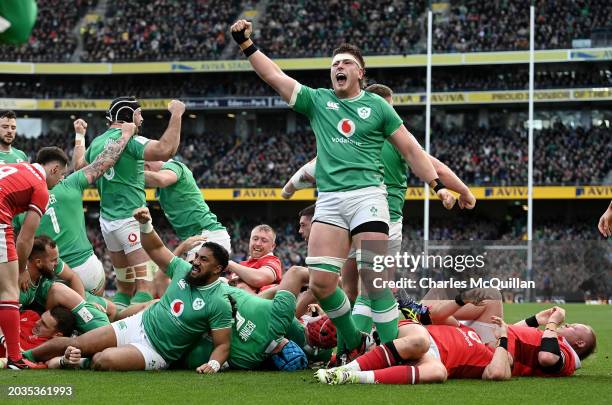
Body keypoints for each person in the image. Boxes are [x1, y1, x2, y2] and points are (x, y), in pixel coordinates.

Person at [231, 19, 455, 360]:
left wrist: (437, 186)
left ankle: (390, 354)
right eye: (334, 63)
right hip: (331, 202)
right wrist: (246, 44)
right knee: (321, 284)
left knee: (376, 284)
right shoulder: (318, 101)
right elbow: (274, 76)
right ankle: (354, 340)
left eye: (345, 63)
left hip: (369, 198)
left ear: (360, 72)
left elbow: (411, 149)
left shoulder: (378, 107)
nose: (338, 67)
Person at [282, 83, 475, 348]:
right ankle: (377, 350)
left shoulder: (348, 140)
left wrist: (289, 188)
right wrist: (464, 191)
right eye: (388, 106)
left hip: (343, 221)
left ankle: (344, 348)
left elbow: (309, 170)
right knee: (372, 289)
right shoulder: (394, 138)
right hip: (381, 220)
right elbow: (435, 167)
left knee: (346, 289)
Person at [25, 207, 233, 372]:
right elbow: (156, 248)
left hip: (155, 351)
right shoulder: (183, 269)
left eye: (203, 260)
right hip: (138, 323)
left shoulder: (219, 302)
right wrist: (145, 225)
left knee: (102, 359)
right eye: (196, 257)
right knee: (79, 343)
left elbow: (222, 345)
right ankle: (21, 358)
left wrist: (213, 365)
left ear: (217, 269)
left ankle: (73, 363)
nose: (195, 262)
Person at [73, 97, 185, 313]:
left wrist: (79, 136)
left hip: (108, 224)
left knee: (124, 288)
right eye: (139, 113)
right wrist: (177, 114)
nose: (141, 118)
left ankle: (113, 326)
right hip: (132, 220)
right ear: (128, 115)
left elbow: (78, 167)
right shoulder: (132, 140)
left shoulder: (96, 142)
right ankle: (132, 334)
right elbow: (166, 150)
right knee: (145, 285)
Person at [15, 121, 138, 295]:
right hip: (87, 269)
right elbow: (104, 161)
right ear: (55, 169)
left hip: (50, 276)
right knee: (98, 312)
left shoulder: (19, 200)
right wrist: (125, 135)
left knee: (54, 320)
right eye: (62, 174)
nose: (63, 178)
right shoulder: (71, 184)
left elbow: (16, 243)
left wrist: (21, 270)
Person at [0, 146, 68, 369]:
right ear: (55, 168)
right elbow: (26, 238)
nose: (60, 180)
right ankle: (15, 358)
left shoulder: (18, 167)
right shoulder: (41, 188)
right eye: (62, 175)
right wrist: (21, 271)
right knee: (9, 291)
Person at [227, 224, 282, 294]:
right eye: (255, 239)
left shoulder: (273, 261)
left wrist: (231, 265)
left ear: (272, 246)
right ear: (250, 241)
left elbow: (259, 279)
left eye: (264, 241)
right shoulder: (241, 265)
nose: (258, 243)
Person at [0, 307, 75, 357]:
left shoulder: (43, 349)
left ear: (57, 335)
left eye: (44, 324)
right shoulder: (30, 315)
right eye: (41, 318)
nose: (36, 322)